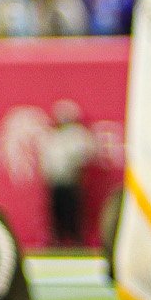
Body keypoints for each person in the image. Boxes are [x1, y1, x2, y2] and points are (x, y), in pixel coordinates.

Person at [38, 102, 96, 246]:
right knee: (56, 211)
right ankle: (56, 239)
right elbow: (47, 158)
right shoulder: (53, 136)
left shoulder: (77, 135)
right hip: (55, 181)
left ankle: (76, 239)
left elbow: (85, 154)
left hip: (71, 180)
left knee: (72, 210)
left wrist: (76, 166)